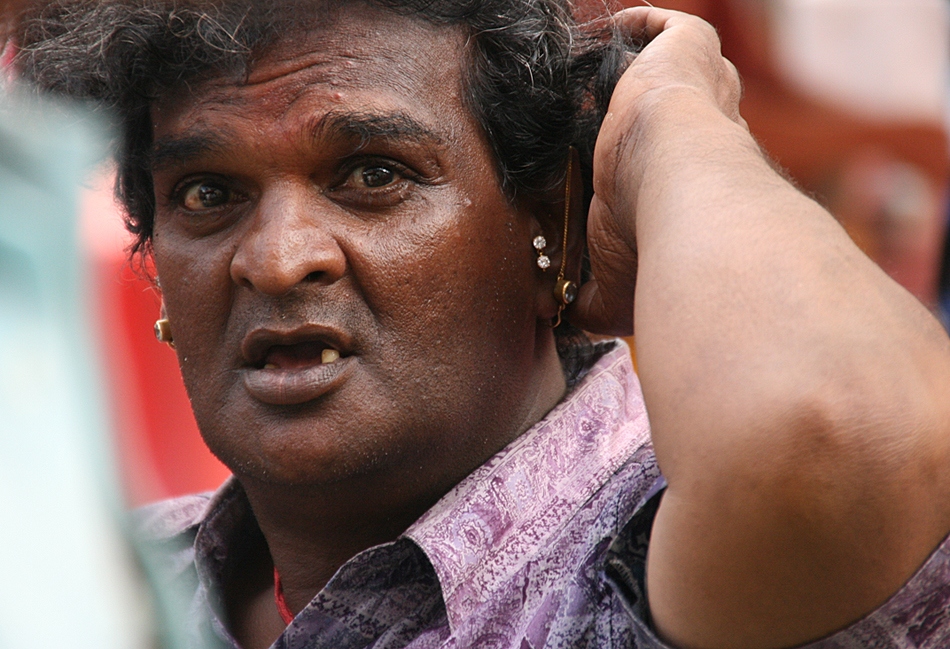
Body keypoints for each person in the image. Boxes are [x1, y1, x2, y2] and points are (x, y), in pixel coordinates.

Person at [14, 1, 950, 648]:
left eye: (372, 172)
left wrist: (670, 118)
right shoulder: (93, 582)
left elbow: (844, 430)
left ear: (547, 217)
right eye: (209, 193)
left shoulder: (652, 551)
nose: (277, 255)